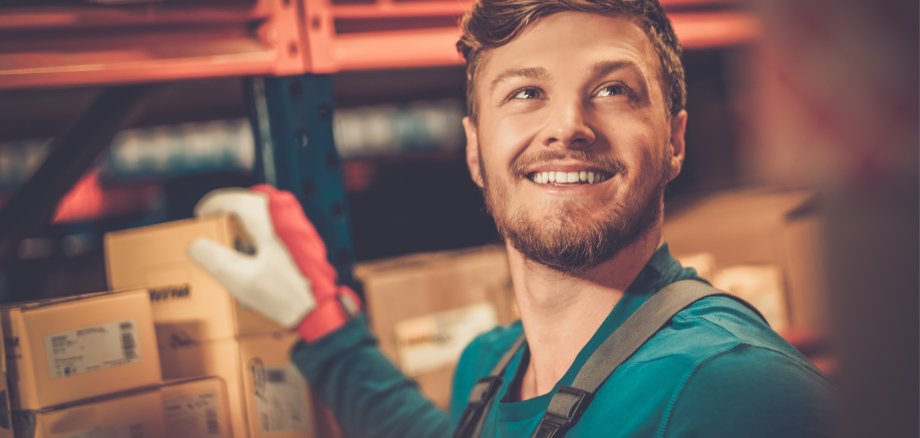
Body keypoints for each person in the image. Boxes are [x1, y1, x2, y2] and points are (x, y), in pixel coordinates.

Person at [187, 1, 834, 436]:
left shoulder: (732, 391)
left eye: (613, 90)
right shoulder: (491, 369)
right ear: (474, 149)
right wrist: (321, 323)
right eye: (526, 93)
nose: (567, 128)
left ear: (675, 141)